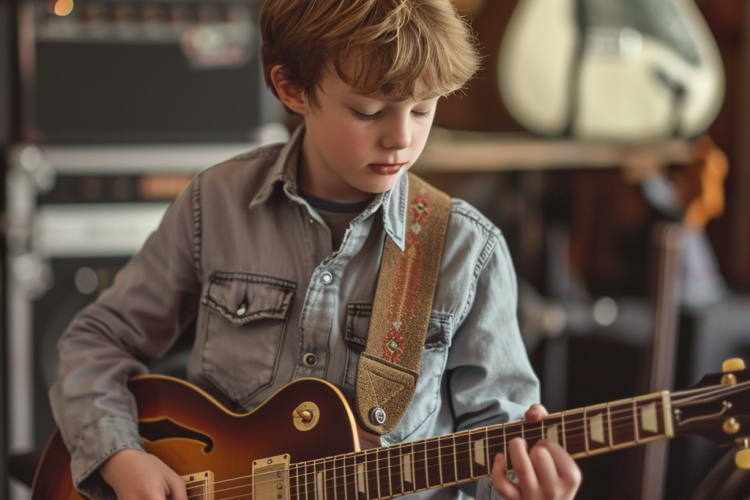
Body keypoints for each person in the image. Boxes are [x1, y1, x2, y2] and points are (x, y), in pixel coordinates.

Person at [50, 1, 582, 500]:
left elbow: (499, 444)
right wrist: (120, 455)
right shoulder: (214, 205)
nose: (401, 137)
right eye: (369, 111)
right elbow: (96, 341)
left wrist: (527, 485)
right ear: (293, 88)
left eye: (422, 109)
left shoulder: (467, 249)